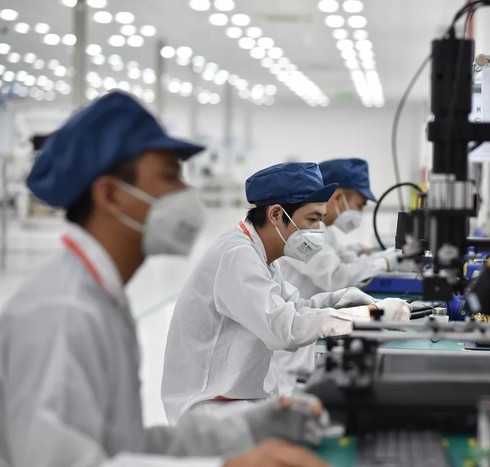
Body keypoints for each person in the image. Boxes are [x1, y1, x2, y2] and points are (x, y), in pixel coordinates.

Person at [0, 91, 329, 467]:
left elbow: (124, 444)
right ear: (111, 195)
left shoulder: (99, 295)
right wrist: (226, 465)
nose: (186, 193)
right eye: (170, 177)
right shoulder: (63, 311)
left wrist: (251, 427)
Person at [161, 161, 411, 423]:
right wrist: (369, 316)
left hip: (239, 399)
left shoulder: (261, 254)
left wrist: (342, 300)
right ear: (276, 214)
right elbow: (284, 328)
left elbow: (295, 305)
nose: (318, 231)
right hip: (209, 411)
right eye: (312, 219)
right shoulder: (237, 255)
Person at [278, 158, 404, 298]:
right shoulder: (303, 229)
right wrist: (386, 263)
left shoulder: (326, 229)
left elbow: (348, 261)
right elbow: (336, 277)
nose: (360, 213)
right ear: (338, 198)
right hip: (297, 309)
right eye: (360, 205)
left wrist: (388, 256)